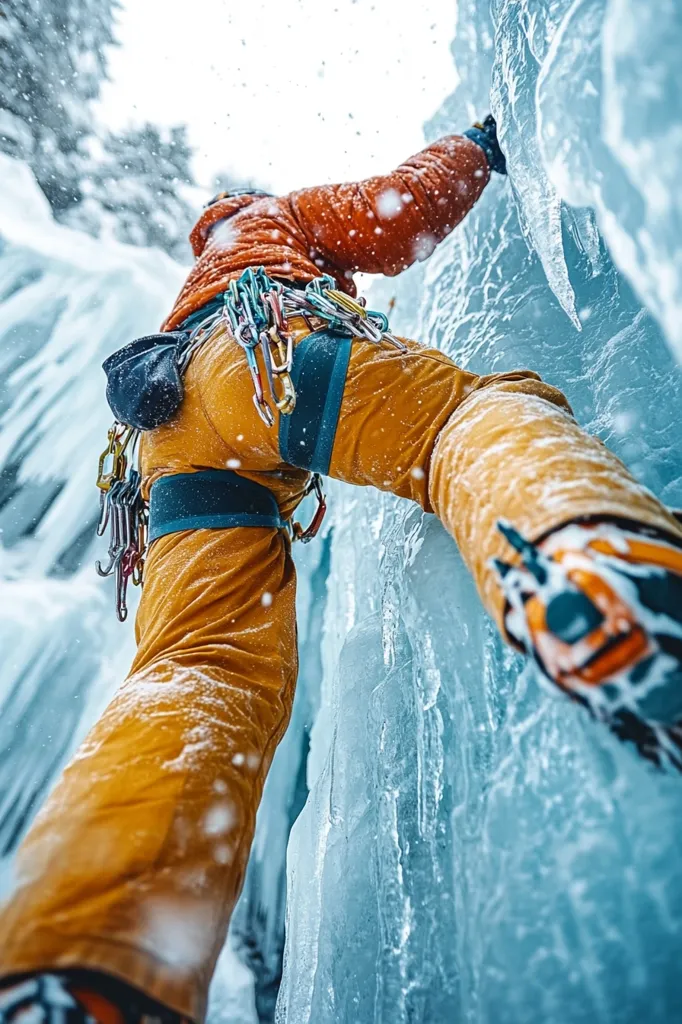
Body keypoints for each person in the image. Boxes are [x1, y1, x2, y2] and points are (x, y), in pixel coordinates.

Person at [1, 116, 681, 1024]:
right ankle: (586, 556)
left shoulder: (190, 285)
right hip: (269, 358)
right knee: (456, 423)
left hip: (171, 443)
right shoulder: (275, 223)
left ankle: (84, 954)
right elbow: (391, 216)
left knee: (199, 671)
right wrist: (476, 147)